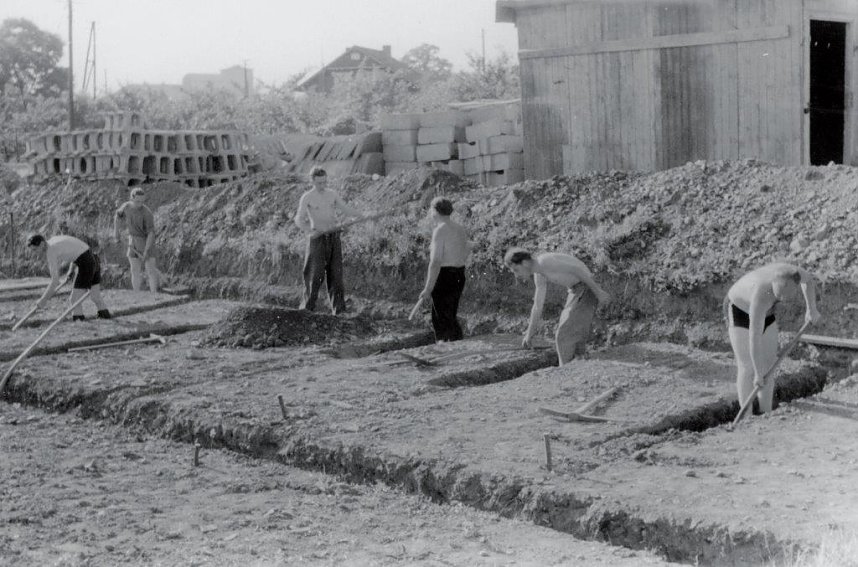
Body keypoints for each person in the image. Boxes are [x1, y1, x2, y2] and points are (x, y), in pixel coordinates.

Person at [725, 263, 821, 414]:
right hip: (740, 311)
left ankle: (766, 413)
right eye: (779, 295)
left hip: (767, 312)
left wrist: (811, 308)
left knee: (769, 366)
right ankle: (746, 418)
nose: (782, 299)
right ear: (773, 284)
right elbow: (754, 338)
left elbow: (809, 282)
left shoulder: (796, 273)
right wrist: (757, 373)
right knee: (747, 367)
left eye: (785, 296)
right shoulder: (761, 293)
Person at [504, 248, 610, 365]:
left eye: (516, 270)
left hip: (586, 287)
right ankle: (578, 362)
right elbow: (537, 306)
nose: (516, 275)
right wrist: (529, 335)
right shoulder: (539, 275)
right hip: (575, 291)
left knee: (564, 334)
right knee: (566, 330)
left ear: (524, 263)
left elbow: (578, 270)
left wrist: (598, 292)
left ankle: (566, 369)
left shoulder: (544, 261)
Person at [294, 167, 367, 315]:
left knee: (336, 276)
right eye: (319, 183)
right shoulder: (307, 197)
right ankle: (306, 310)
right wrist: (311, 230)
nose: (323, 186)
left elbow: (345, 209)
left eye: (325, 182)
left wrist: (360, 215)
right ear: (312, 181)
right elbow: (298, 220)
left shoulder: (332, 194)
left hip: (334, 237)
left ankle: (339, 311)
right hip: (317, 239)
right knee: (314, 276)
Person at [412, 197, 470, 342]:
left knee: (440, 318)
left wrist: (428, 288)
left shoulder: (439, 230)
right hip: (459, 274)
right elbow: (465, 250)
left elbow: (436, 261)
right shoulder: (459, 228)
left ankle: (444, 349)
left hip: (444, 276)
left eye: (431, 209)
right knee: (450, 315)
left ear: (435, 211)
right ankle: (457, 346)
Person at [27, 234, 111, 320]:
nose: (35, 253)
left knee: (74, 300)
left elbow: (55, 281)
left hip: (86, 263)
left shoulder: (51, 251)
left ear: (41, 244)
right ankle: (105, 317)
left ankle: (79, 325)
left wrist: (43, 300)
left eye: (35, 249)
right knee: (95, 296)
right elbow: (76, 250)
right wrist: (71, 270)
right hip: (93, 257)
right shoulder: (54, 240)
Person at [113, 187, 160, 293]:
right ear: (132, 199)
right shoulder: (126, 206)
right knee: (134, 270)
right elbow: (117, 217)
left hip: (146, 241)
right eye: (137, 201)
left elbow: (151, 234)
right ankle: (137, 294)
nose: (140, 204)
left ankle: (154, 295)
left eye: (142, 201)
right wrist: (116, 234)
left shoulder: (147, 213)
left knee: (151, 271)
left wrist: (146, 251)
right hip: (132, 240)